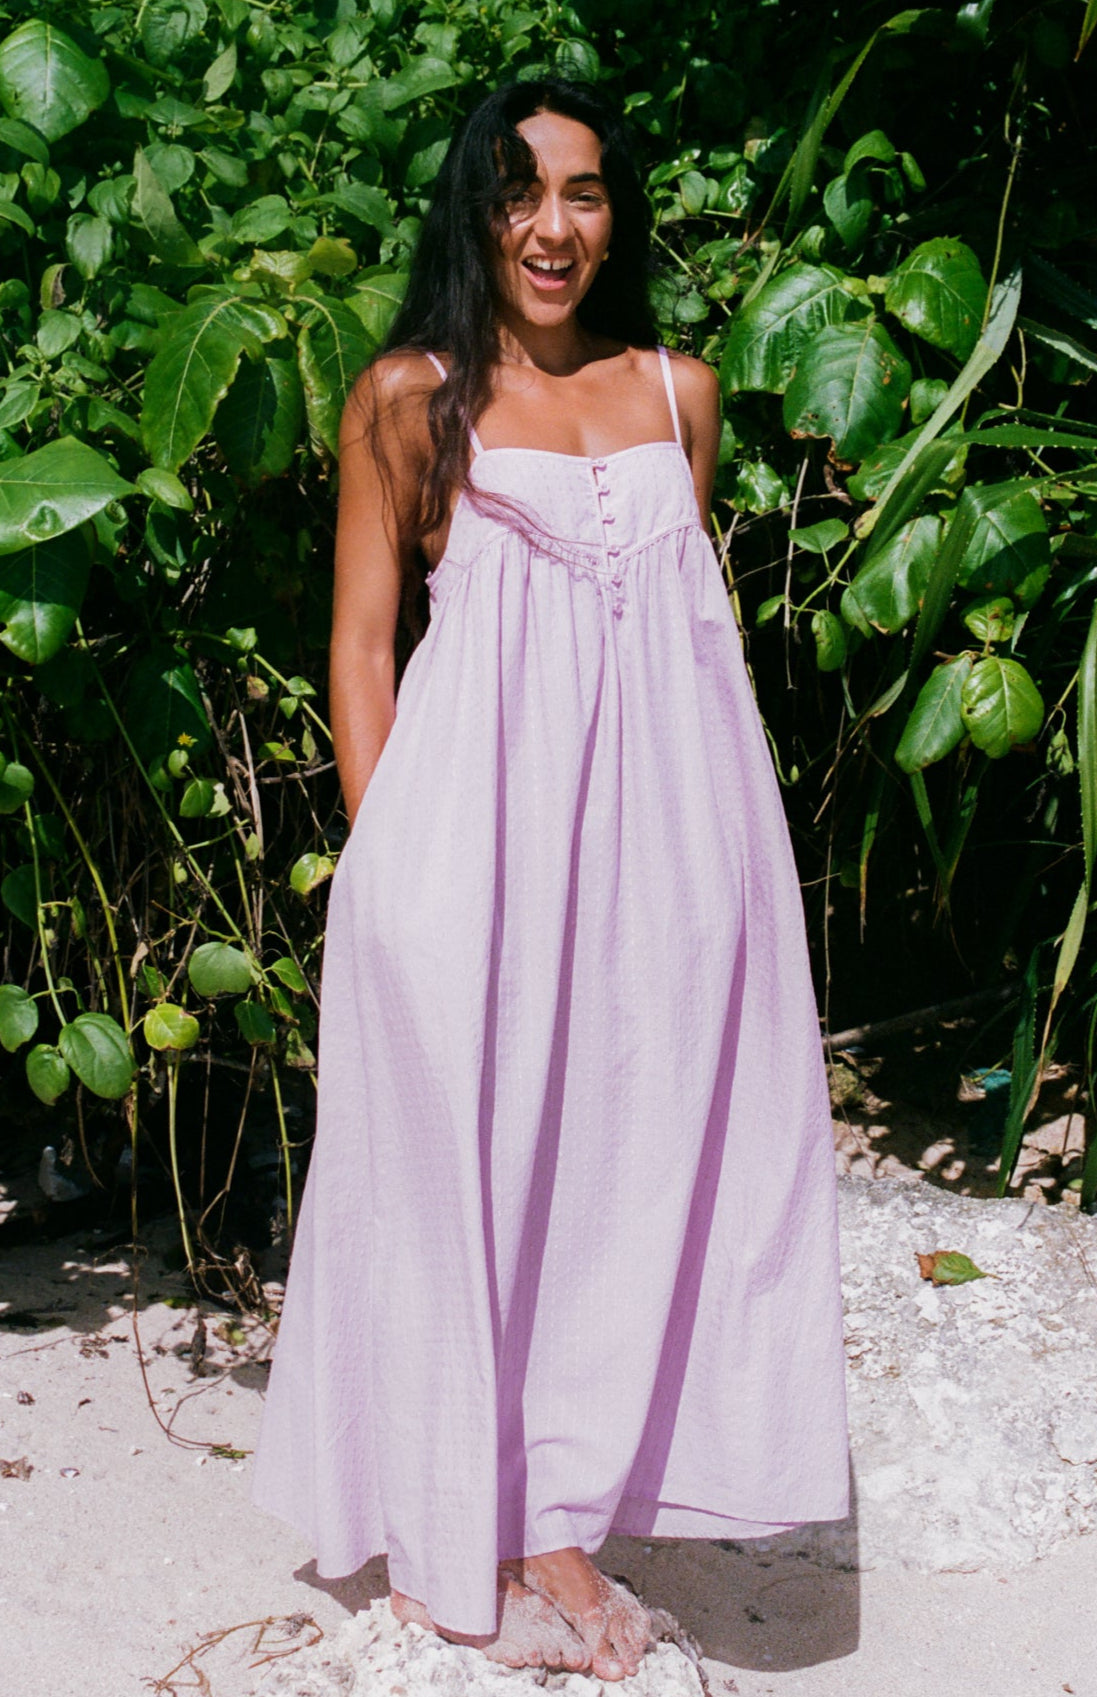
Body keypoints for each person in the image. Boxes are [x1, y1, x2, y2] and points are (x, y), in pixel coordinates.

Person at [250, 74, 850, 1682]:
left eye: (583, 194)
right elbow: (362, 649)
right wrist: (387, 878)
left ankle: (570, 1492)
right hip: (465, 861)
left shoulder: (679, 395)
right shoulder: (408, 396)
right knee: (474, 1175)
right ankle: (520, 1533)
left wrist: (717, 882)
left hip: (668, 867)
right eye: (522, 192)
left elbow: (671, 664)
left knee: (627, 1176)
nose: (554, 225)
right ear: (477, 208)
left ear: (616, 216)